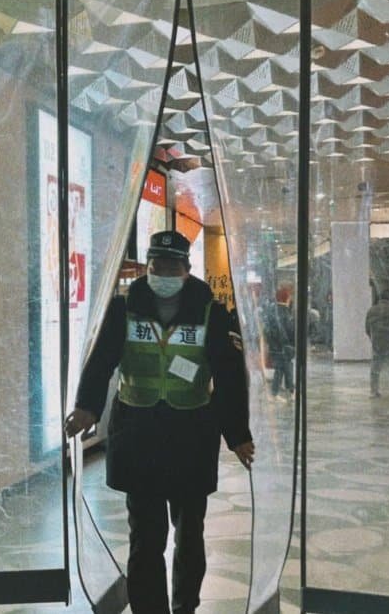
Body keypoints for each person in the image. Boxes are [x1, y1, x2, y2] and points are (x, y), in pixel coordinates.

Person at [64, 230, 254, 614]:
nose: (163, 272)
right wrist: (87, 407)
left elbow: (230, 375)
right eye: (157, 266)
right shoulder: (123, 309)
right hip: (139, 437)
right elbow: (101, 360)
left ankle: (185, 608)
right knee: (145, 538)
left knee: (190, 537)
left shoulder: (210, 312)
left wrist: (237, 434)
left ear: (187, 269)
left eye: (172, 266)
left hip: (192, 437)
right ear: (148, 267)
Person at [265, 285, 296, 401]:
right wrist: (290, 344)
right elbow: (288, 330)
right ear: (286, 298)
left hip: (276, 347)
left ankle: (284, 391)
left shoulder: (273, 310)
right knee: (285, 368)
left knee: (282, 368)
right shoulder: (284, 312)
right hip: (283, 347)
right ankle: (286, 391)